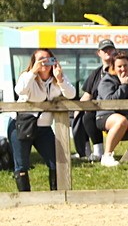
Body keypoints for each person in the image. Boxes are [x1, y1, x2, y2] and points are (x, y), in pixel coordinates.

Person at [8, 48, 77, 191]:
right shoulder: (27, 76)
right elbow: (20, 90)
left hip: (44, 127)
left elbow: (71, 94)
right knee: (22, 164)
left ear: (54, 61)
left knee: (56, 160)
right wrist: (33, 72)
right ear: (34, 62)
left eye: (48, 59)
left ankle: (56, 194)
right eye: (40, 60)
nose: (44, 63)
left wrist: (60, 79)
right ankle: (25, 197)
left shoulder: (58, 78)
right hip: (21, 125)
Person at [73, 39, 120, 161]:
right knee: (79, 113)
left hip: (113, 108)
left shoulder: (120, 68)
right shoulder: (96, 73)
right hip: (96, 108)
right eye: (105, 50)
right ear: (99, 53)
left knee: (88, 115)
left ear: (115, 51)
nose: (108, 52)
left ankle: (98, 151)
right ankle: (84, 152)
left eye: (110, 49)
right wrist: (78, 108)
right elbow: (87, 95)